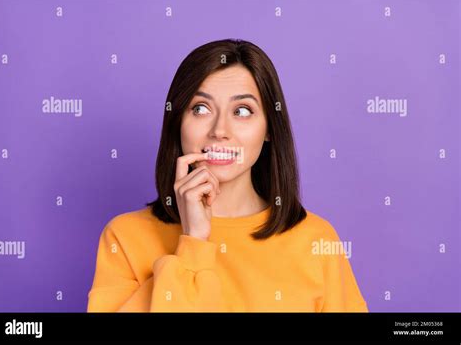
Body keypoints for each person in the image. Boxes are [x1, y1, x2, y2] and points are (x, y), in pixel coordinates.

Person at [87, 39, 368, 312]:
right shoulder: (124, 238)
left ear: (269, 129)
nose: (219, 129)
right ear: (178, 123)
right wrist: (193, 242)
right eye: (200, 108)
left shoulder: (317, 240)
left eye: (242, 111)